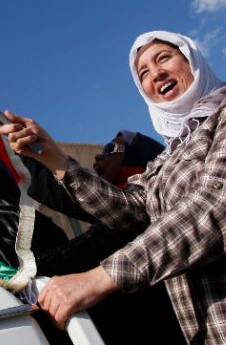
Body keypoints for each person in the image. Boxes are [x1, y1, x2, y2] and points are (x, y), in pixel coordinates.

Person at [0, 30, 226, 344]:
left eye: (164, 58)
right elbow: (130, 212)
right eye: (143, 72)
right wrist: (53, 158)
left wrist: (99, 278)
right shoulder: (166, 161)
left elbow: (218, 206)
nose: (156, 74)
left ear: (193, 61)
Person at [23, 130, 184, 344]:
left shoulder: (135, 222)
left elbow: (68, 201)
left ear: (137, 164)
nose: (99, 156)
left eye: (111, 150)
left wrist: (16, 282)